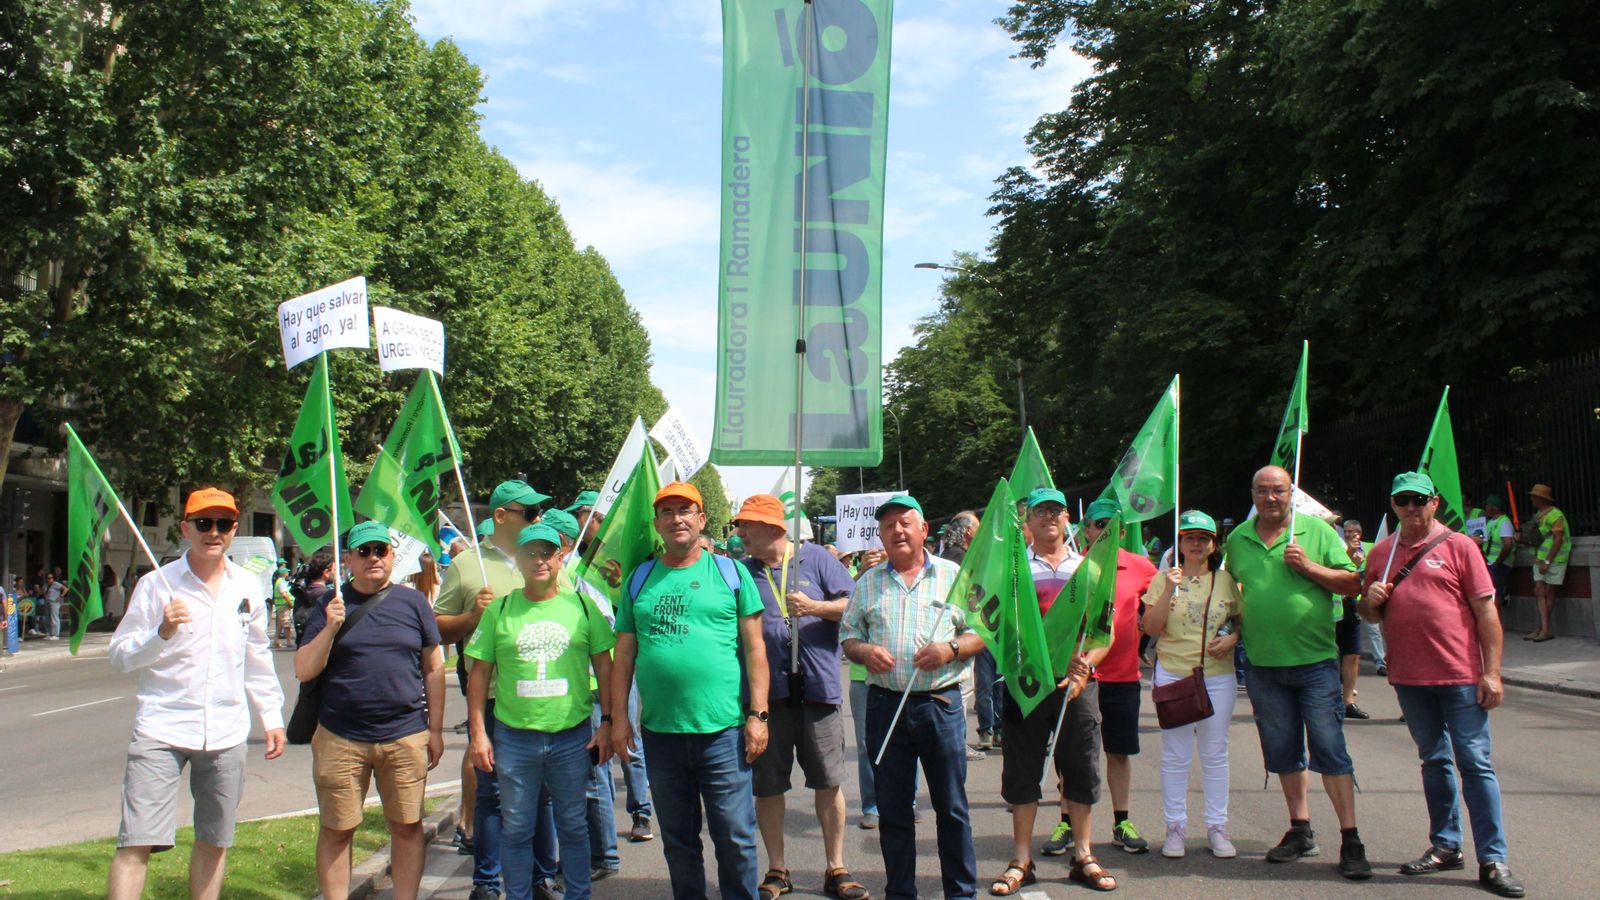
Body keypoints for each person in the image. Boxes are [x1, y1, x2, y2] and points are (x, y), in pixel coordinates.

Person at [106, 488, 286, 900]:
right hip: (161, 728)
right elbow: (119, 657)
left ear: (234, 529)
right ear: (186, 528)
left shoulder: (246, 586)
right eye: (204, 523)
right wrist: (161, 633)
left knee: (215, 838)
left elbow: (257, 657)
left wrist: (272, 718)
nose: (213, 532)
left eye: (223, 524)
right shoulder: (156, 585)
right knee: (136, 840)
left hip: (226, 731)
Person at [1359, 473, 1525, 898]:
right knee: (1434, 760)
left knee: (1474, 762)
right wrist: (1369, 603)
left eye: (1419, 499)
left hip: (1461, 675)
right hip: (1410, 677)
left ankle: (1493, 858)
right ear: (1393, 505)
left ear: (1434, 502)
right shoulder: (1382, 552)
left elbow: (1487, 614)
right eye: (1402, 501)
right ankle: (1446, 846)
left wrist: (1492, 672)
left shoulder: (1460, 546)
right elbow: (1371, 616)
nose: (1411, 507)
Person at [609, 481, 769, 900]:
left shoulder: (729, 573)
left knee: (735, 839)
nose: (677, 518)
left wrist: (759, 715)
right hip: (661, 735)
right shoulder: (639, 579)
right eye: (667, 512)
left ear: (701, 519)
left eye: (685, 510)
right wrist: (617, 719)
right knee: (679, 843)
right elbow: (623, 654)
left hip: (723, 733)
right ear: (658, 524)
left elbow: (755, 649)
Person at [1224, 466, 1369, 880]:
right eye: (1263, 491)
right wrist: (1232, 633)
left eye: (1279, 491)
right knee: (1283, 752)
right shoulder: (1238, 540)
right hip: (1263, 667)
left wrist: (1307, 567)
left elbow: (1351, 584)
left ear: (1292, 493)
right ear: (1252, 494)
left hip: (1315, 664)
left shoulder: (1318, 533)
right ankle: (1300, 829)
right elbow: (1233, 593)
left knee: (1330, 750)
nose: (1271, 498)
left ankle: (1351, 838)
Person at [841, 496, 981, 900]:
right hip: (885, 707)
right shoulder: (867, 582)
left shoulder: (955, 575)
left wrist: (949, 651)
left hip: (940, 706)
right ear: (881, 536)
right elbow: (847, 636)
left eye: (905, 523)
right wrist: (864, 652)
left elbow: (981, 633)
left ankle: (960, 893)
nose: (897, 531)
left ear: (923, 531)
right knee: (894, 811)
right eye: (888, 526)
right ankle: (900, 892)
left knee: (951, 809)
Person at [296, 521, 445, 900]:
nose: (373, 558)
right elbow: (303, 669)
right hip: (340, 737)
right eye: (364, 552)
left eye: (381, 550)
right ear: (348, 559)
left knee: (408, 826)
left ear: (393, 556)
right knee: (337, 829)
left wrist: (437, 730)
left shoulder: (413, 603)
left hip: (405, 734)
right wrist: (330, 628)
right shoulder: (329, 605)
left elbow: (433, 667)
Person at [467, 523, 616, 900]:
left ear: (560, 556)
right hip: (514, 738)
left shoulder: (581, 606)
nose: (539, 560)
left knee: (573, 826)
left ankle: (578, 895)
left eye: (546, 553)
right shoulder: (500, 609)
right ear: (517, 560)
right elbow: (479, 674)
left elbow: (605, 666)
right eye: (530, 553)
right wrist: (478, 733)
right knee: (516, 828)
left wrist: (610, 722)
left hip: (572, 736)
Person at [733, 495, 868, 900]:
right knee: (768, 785)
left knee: (828, 782)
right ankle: (777, 869)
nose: (740, 534)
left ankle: (836, 867)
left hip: (818, 691)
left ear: (773, 527)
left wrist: (815, 606)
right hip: (766, 696)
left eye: (746, 526)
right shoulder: (742, 571)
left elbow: (854, 605)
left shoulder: (818, 560)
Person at [434, 480, 561, 900]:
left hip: (539, 697)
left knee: (540, 793)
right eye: (530, 512)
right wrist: (472, 616)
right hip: (488, 699)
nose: (538, 519)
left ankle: (543, 877)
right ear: (503, 516)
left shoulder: (543, 559)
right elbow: (435, 625)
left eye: (540, 513)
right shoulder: (467, 565)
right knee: (490, 794)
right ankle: (486, 883)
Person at [988, 488, 1110, 895]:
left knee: (1080, 770)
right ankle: (1021, 859)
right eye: (1040, 512)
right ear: (1029, 521)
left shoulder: (1088, 570)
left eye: (1056, 511)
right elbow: (998, 626)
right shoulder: (1014, 570)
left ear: (1066, 519)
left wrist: (1086, 666)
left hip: (1076, 685)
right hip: (1027, 684)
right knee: (1022, 773)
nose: (1049, 518)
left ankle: (1084, 855)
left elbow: (1103, 633)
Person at [1141, 510, 1241, 859]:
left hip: (1217, 675)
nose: (1196, 543)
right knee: (1175, 754)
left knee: (1215, 753)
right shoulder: (1164, 579)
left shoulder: (1226, 581)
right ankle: (1175, 828)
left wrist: (1233, 640)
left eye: (1203, 538)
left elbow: (1242, 622)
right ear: (1180, 543)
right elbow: (1150, 627)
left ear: (1214, 544)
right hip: (1173, 671)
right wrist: (1169, 587)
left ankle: (1216, 826)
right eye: (1189, 537)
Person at [1524, 484, 1569, 642]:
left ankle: (1544, 629)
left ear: (1540, 498)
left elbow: (1558, 539)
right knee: (1539, 590)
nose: (1531, 499)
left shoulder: (1555, 515)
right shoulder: (1538, 515)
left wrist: (1548, 561)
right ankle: (1543, 628)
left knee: (1548, 591)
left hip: (1554, 559)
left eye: (1533, 496)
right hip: (1540, 559)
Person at [1337, 519, 1372, 717]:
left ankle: (1348, 702)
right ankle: (1331, 698)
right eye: (1347, 531)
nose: (1350, 534)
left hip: (1351, 604)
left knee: (1353, 653)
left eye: (1354, 531)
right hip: (1333, 604)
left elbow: (1363, 569)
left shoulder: (1365, 549)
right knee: (1332, 653)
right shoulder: (1335, 544)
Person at [1480, 496, 1515, 608]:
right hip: (1490, 562)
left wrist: (1498, 562)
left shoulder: (1504, 522)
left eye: (1487, 505)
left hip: (1500, 564)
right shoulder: (1490, 522)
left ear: (1494, 507)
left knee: (1496, 594)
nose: (1485, 507)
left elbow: (1507, 544)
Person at [43, 570, 64, 640]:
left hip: (54, 602)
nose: (50, 579)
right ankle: (49, 633)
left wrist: (61, 596)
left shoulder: (56, 584)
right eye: (48, 578)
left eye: (51, 577)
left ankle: (56, 634)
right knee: (48, 618)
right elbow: (44, 593)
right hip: (48, 601)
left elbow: (65, 589)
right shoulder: (45, 585)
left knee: (54, 618)